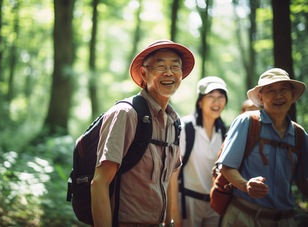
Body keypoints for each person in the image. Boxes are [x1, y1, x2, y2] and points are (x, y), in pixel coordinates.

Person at [90, 40, 195, 227]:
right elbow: (99, 183)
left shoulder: (174, 122)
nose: (169, 72)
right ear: (144, 74)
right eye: (160, 66)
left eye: (175, 66)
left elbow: (168, 179)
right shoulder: (126, 114)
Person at [217, 68, 308, 227]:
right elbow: (226, 167)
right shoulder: (247, 122)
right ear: (261, 97)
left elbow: (303, 179)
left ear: (292, 94)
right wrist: (246, 185)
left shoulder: (300, 135)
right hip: (244, 218)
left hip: (285, 221)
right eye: (271, 91)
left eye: (283, 90)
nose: (278, 96)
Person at [171, 76, 228, 227]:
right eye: (211, 97)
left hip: (215, 204)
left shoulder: (224, 132)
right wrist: (173, 208)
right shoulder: (186, 128)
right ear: (200, 102)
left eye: (221, 97)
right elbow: (173, 172)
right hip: (188, 202)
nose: (216, 102)